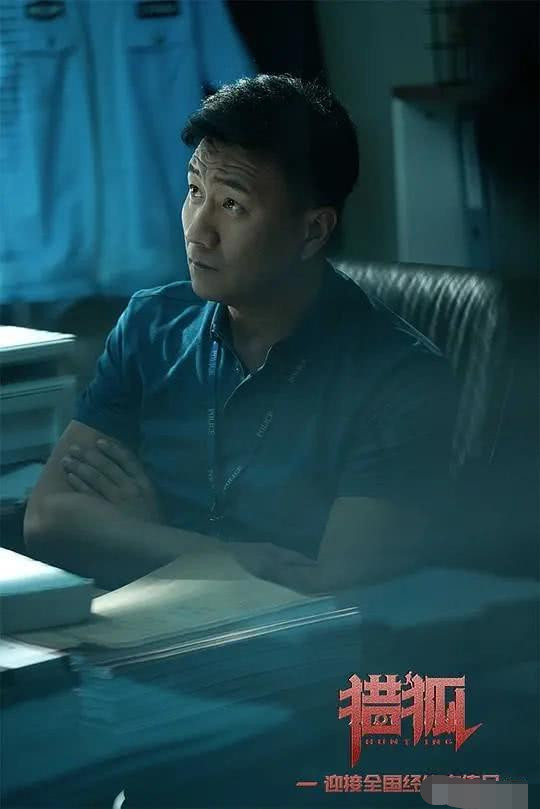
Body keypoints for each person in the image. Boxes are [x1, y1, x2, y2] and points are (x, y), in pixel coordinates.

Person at [24, 74, 458, 593]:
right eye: (194, 191)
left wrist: (140, 539)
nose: (197, 231)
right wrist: (191, 548)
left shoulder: (400, 377)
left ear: (312, 231)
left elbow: (334, 585)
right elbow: (47, 517)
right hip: (144, 618)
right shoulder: (152, 324)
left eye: (232, 205)